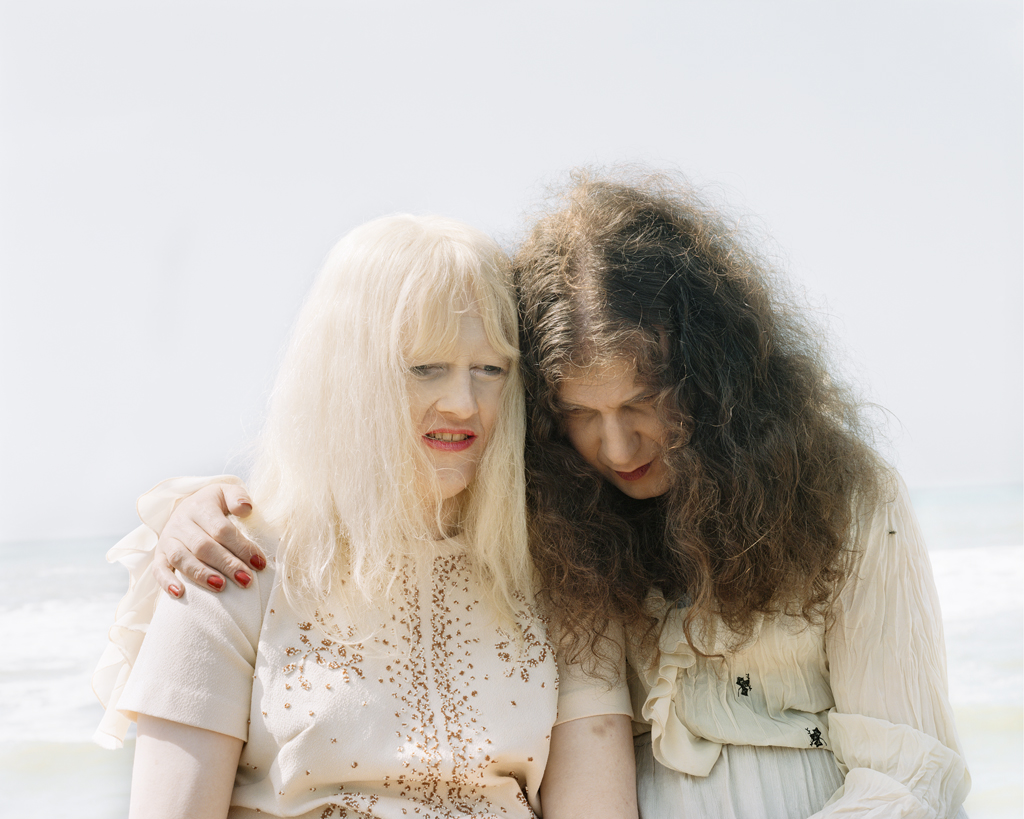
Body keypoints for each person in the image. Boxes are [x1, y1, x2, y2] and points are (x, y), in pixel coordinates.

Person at [125, 171, 971, 818]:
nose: (614, 446)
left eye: (490, 371)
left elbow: (908, 766)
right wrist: (194, 506)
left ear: (715, 385)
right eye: (580, 414)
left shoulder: (829, 502)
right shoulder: (237, 560)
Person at [92, 215, 638, 819]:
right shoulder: (225, 558)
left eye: (490, 369)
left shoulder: (564, 575)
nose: (463, 402)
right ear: (347, 375)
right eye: (424, 367)